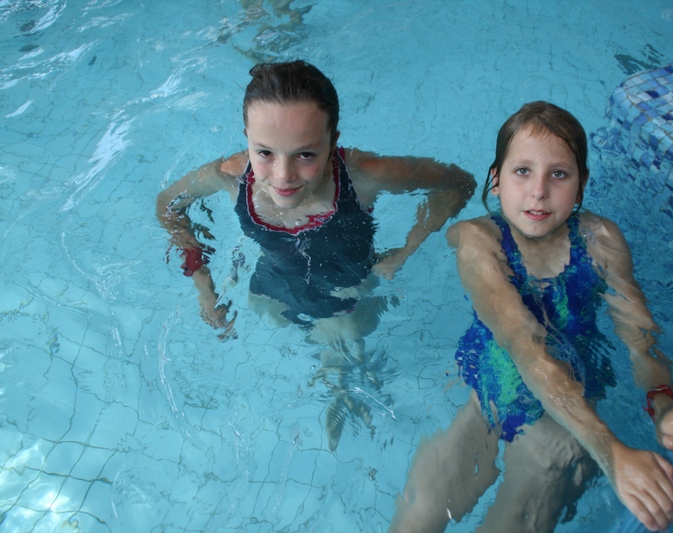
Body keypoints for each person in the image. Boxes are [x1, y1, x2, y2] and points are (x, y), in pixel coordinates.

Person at [389, 101, 673, 532]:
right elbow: (523, 343)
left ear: (581, 186)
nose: (539, 191)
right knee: (418, 515)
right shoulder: (477, 241)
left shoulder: (601, 241)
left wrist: (664, 403)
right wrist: (612, 452)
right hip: (491, 392)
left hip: (568, 417)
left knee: (529, 494)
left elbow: (639, 335)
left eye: (559, 174)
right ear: (496, 180)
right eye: (522, 171)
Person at [156, 60, 476, 449]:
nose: (283, 175)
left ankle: (342, 392)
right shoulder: (230, 175)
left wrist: (406, 251)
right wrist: (203, 285)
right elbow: (168, 206)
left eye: (306, 154)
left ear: (332, 141)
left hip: (349, 297)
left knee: (343, 357)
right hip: (269, 288)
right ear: (247, 138)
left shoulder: (364, 175)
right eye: (265, 152)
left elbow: (458, 184)